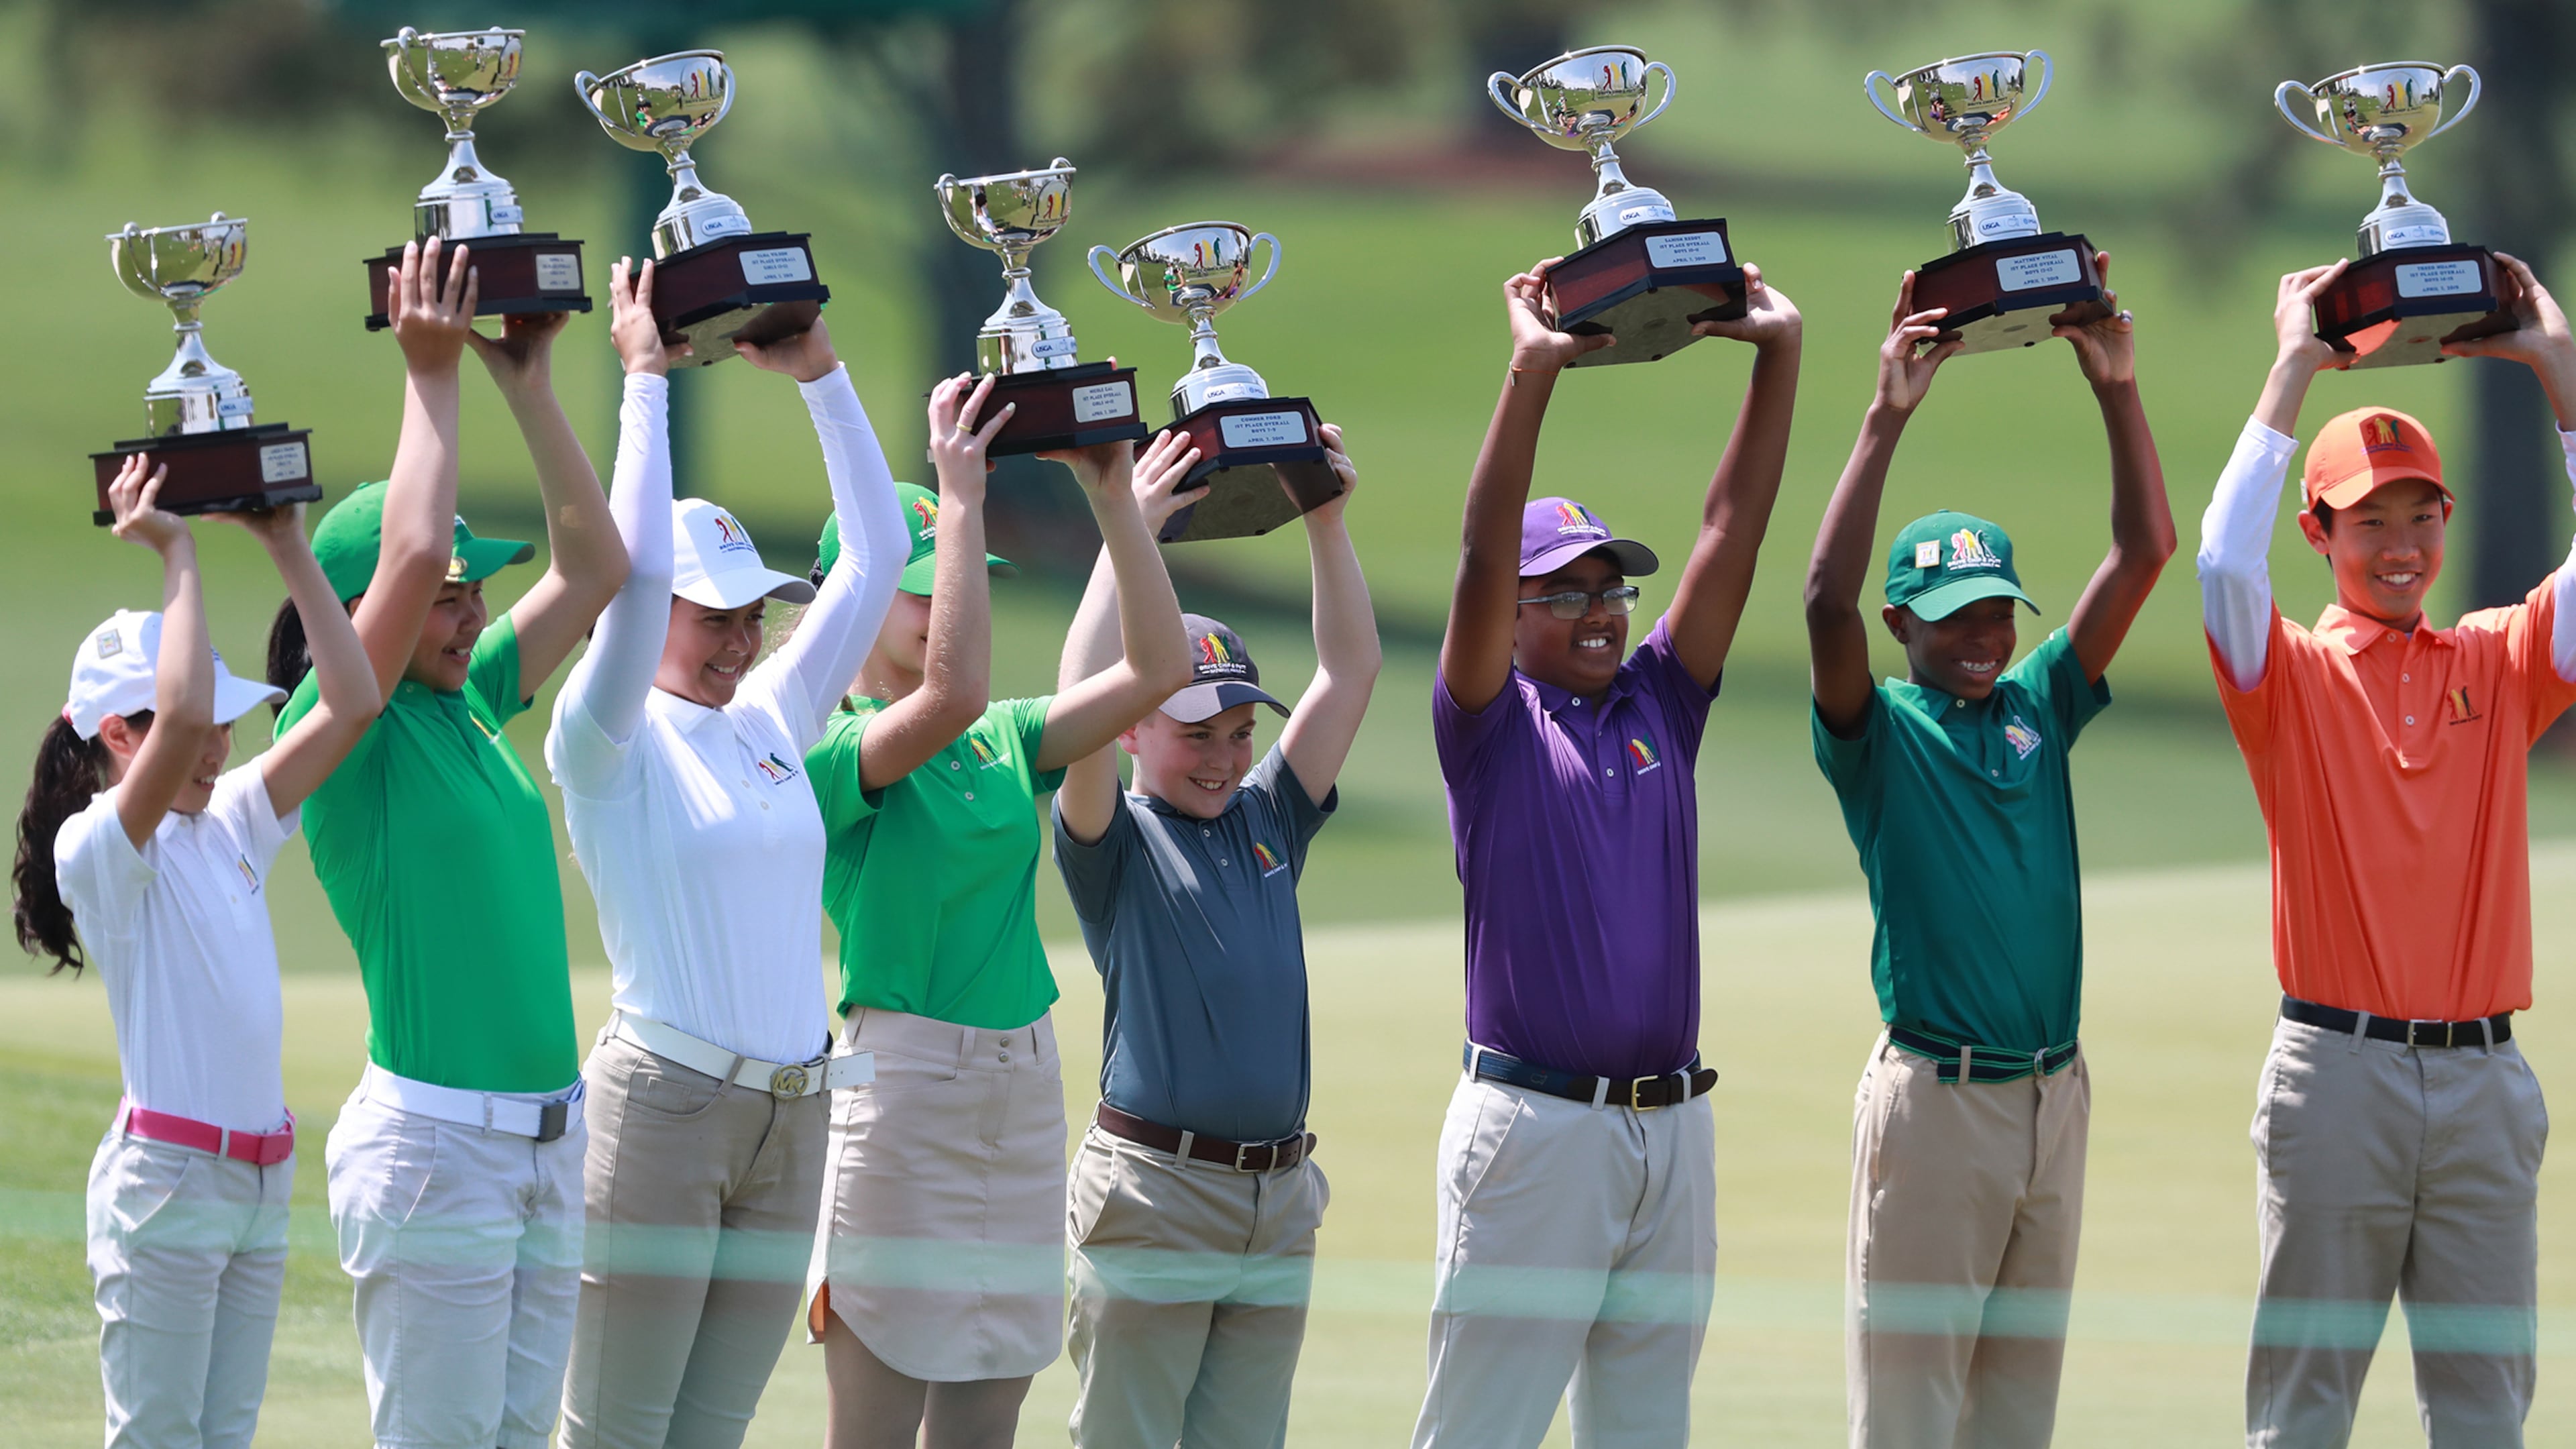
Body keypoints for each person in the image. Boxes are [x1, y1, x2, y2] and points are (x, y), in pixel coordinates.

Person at [1414, 257, 1801, 1449]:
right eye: (1564, 592)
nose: (1599, 609)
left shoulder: (1658, 706)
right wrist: (1530, 377)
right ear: (1514, 618)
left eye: (1610, 588)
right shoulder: (1488, 725)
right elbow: (1480, 560)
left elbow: (1732, 532)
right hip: (1536, 1136)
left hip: (1671, 1131)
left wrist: (1780, 356)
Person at [2197, 254, 2576, 1446]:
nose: (2400, 545)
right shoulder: (2287, 678)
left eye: (2420, 516)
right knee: (2303, 1414)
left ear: (2449, 521)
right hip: (2338, 1078)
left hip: (2483, 1082)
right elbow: (2219, 562)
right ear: (2322, 530)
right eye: (2370, 521)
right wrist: (2295, 363)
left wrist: (2559, 370)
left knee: (2484, 1416)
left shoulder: (2498, 662)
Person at [270, 237, 629, 1449]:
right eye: (447, 594)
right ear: (365, 610)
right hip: (436, 1157)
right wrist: (431, 372)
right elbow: (413, 550)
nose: (470, 605)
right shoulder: (341, 727)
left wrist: (526, 383)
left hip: (542, 1141)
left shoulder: (467, 695)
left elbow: (597, 567)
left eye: (479, 590)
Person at [1805, 264, 2171, 1448]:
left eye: (1997, 609)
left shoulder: (2037, 702)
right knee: (1908, 1423)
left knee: (2016, 1424)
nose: (1982, 634)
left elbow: (2146, 549)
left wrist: (2117, 388)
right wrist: (1885, 419)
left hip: (2053, 1098)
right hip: (1937, 1103)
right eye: (1954, 613)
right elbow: (1822, 602)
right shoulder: (1879, 735)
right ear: (1904, 621)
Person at [548, 261, 908, 1449]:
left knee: (712, 1434)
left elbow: (876, 561)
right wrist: (644, 385)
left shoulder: (766, 717)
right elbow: (633, 576)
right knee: (616, 1431)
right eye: (718, 617)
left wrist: (822, 379)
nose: (744, 636)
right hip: (663, 1110)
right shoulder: (605, 739)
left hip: (792, 1116)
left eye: (754, 614)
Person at [802, 378, 1195, 1449]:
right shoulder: (828, 746)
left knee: (988, 1414)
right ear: (851, 597)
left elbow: (1161, 669)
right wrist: (961, 500)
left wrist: (1119, 506)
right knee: (876, 1425)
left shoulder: (1002, 737)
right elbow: (950, 694)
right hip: (902, 1088)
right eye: (919, 587)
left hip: (1023, 1087)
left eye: (955, 582)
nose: (945, 602)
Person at [12, 456, 380, 1449]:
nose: (217, 742)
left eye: (229, 721)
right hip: (168, 1185)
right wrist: (176, 550)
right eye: (195, 722)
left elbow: (351, 701)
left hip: (261, 1180)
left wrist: (286, 545)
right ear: (114, 735)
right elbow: (178, 718)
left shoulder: (232, 823)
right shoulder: (94, 846)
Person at [1053, 427, 1379, 1448]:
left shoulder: (1269, 816)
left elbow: (1352, 668)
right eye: (1197, 733)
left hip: (1277, 1201)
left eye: (1240, 733)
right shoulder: (1115, 837)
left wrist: (1324, 516)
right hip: (1154, 1194)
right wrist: (1131, 527)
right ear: (1133, 728)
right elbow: (1076, 693)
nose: (1225, 757)